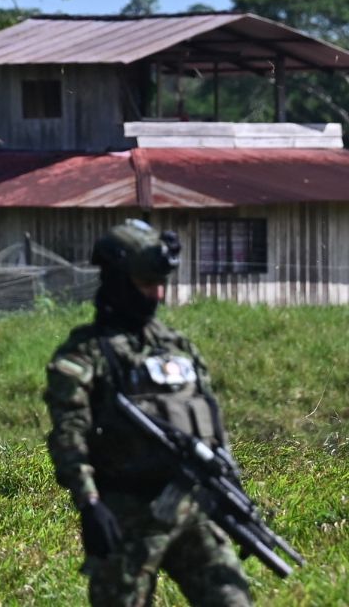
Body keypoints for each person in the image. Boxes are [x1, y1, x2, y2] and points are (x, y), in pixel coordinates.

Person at [44, 220, 253, 606]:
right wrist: (90, 505)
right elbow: (68, 436)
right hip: (127, 513)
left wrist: (232, 487)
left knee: (232, 598)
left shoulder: (177, 348)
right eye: (145, 285)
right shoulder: (84, 355)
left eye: (161, 285)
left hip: (193, 510)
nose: (156, 295)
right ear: (118, 282)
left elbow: (210, 421)